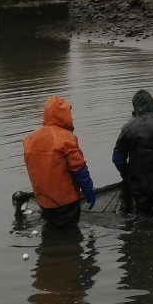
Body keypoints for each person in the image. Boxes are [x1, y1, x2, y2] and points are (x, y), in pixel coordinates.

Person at [22, 95, 96, 227]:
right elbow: (79, 169)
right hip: (66, 203)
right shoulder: (67, 138)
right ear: (65, 115)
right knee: (70, 237)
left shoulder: (29, 139)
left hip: (44, 201)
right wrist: (88, 190)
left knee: (50, 232)